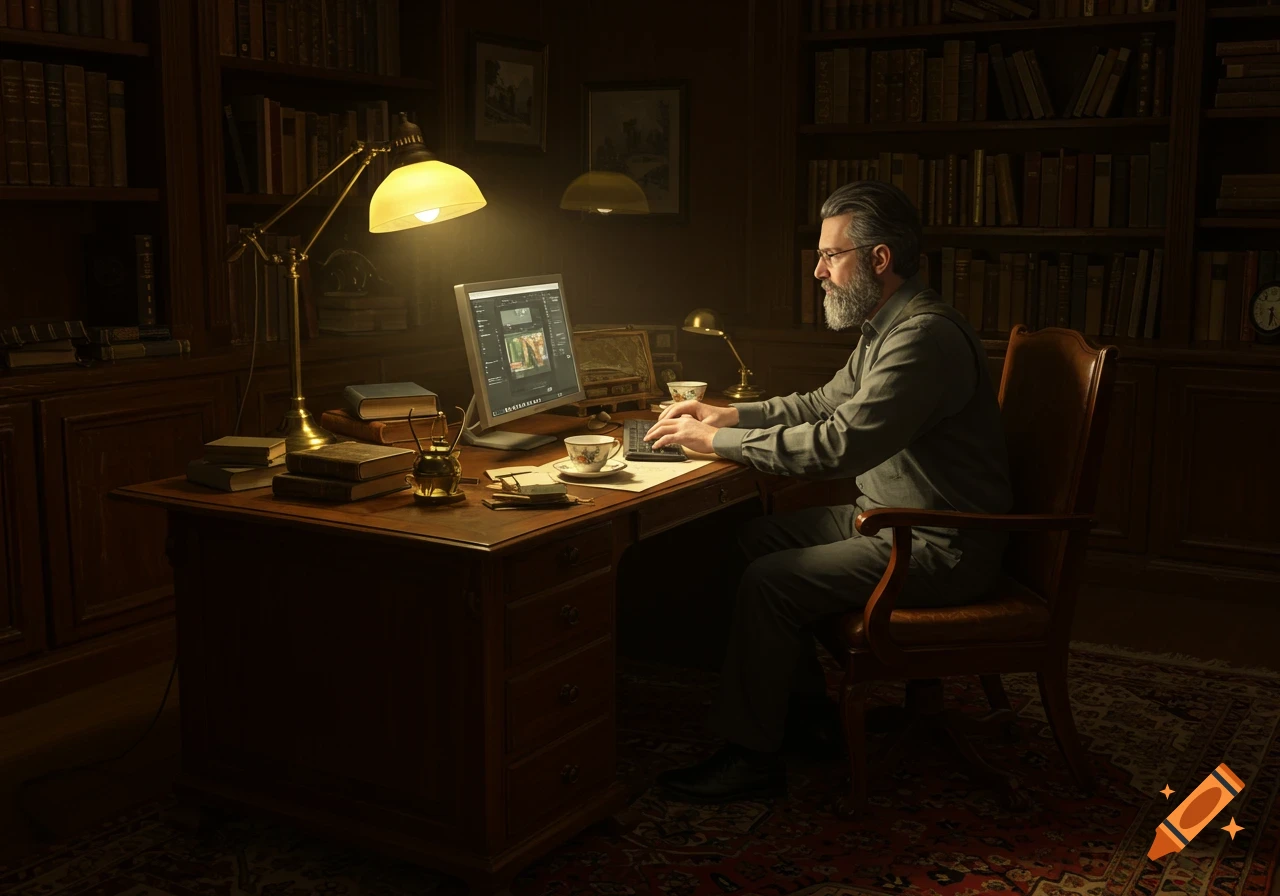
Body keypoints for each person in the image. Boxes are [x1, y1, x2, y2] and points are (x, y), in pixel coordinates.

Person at [642, 180, 1013, 803]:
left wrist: (716, 447)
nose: (818, 271)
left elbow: (842, 444)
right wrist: (726, 416)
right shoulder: (887, 325)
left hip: (936, 544)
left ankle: (751, 756)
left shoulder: (922, 338)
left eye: (830, 256)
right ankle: (808, 715)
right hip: (889, 519)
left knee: (770, 580)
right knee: (751, 541)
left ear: (878, 259)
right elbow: (822, 403)